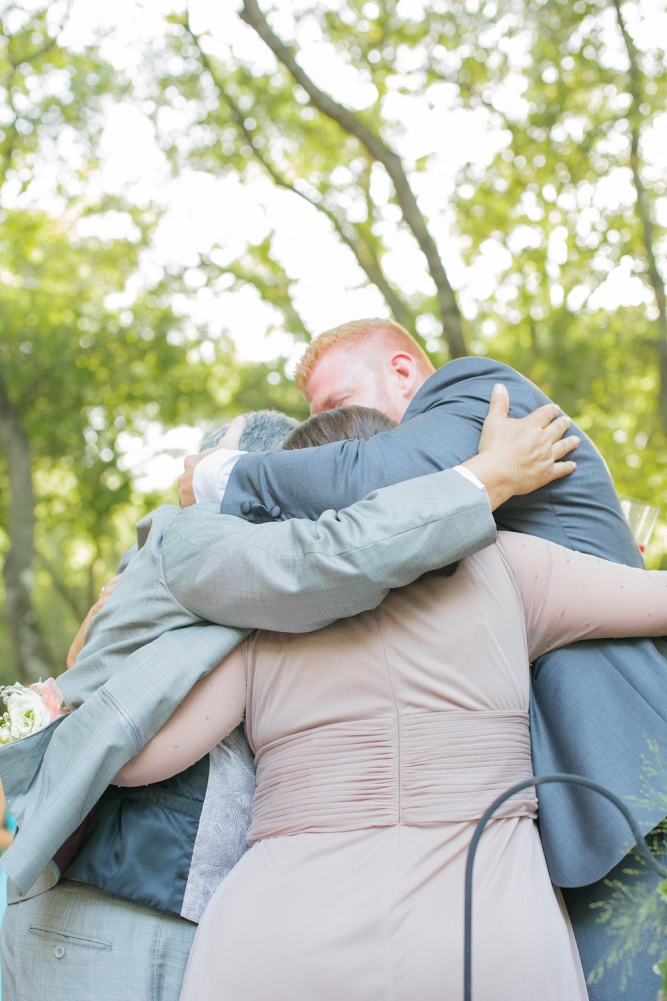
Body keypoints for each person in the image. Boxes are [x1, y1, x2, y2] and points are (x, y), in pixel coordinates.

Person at [0, 391, 575, 1000]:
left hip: (152, 919)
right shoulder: (201, 537)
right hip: (114, 916)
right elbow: (328, 559)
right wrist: (488, 478)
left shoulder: (232, 598)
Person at [188, 318, 667, 998]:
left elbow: (374, 473)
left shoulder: (476, 392)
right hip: (551, 816)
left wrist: (216, 474)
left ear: (405, 371)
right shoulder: (425, 529)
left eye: (331, 404)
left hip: (621, 779)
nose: (330, 426)